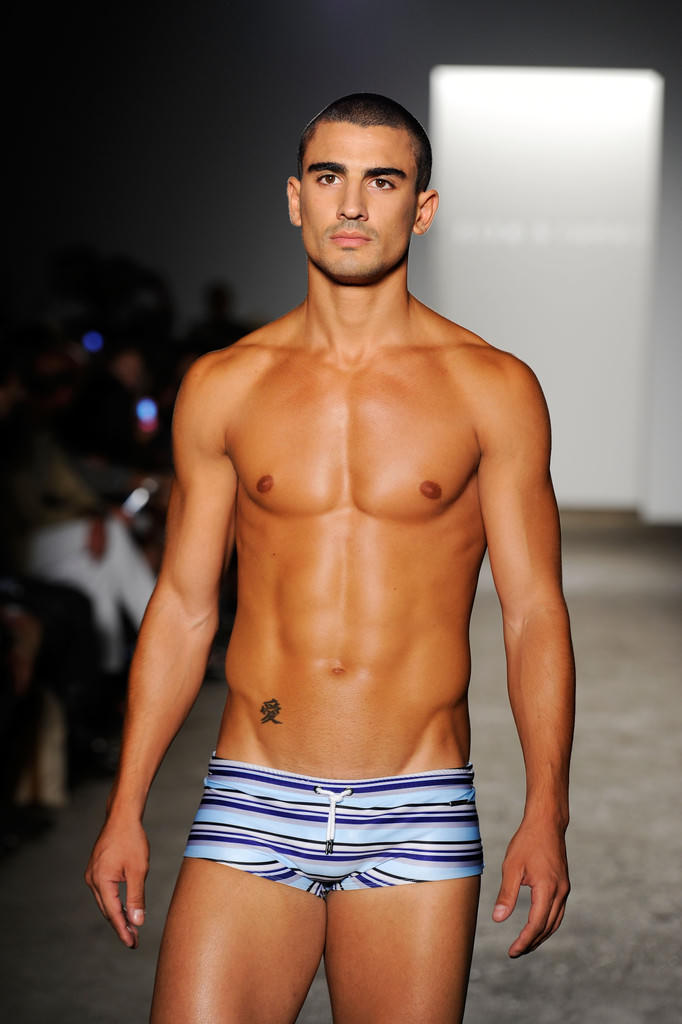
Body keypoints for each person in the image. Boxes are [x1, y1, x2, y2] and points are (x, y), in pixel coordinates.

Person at [86, 93, 575, 1023]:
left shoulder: (492, 388)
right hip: (251, 790)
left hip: (417, 804)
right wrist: (124, 808)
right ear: (295, 198)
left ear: (421, 209)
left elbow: (533, 613)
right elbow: (184, 606)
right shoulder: (225, 385)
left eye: (382, 181)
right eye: (329, 177)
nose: (351, 204)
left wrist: (547, 810)